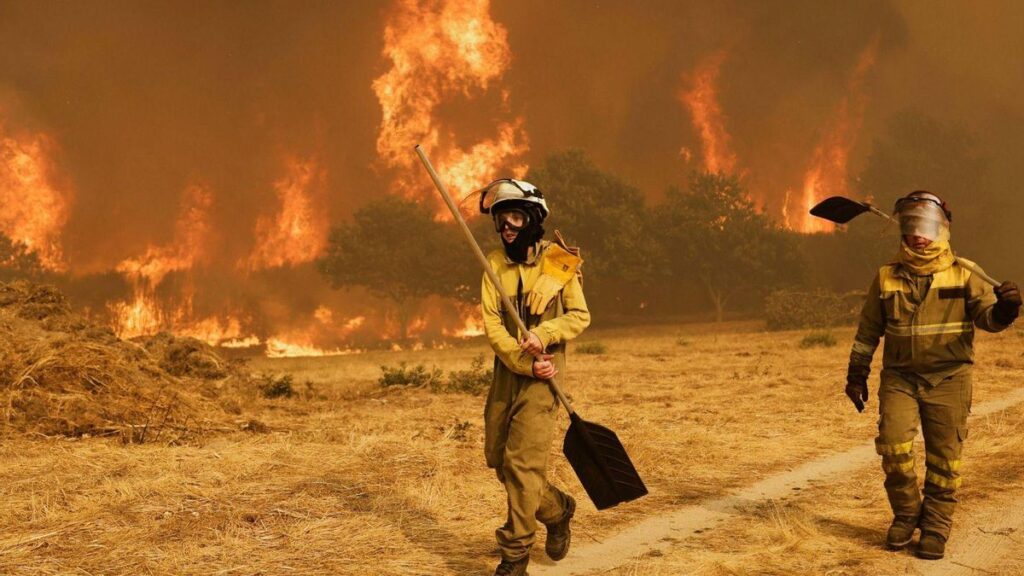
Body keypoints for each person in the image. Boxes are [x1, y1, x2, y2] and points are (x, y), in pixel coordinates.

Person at [845, 191, 1021, 559]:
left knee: (944, 462)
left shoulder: (964, 272)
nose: (919, 235)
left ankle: (937, 527)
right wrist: (857, 373)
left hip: (949, 380)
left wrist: (1005, 309)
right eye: (912, 226)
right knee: (893, 447)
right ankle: (907, 514)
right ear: (903, 231)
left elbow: (988, 320)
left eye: (927, 227)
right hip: (900, 380)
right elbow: (867, 332)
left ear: (942, 229)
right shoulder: (886, 277)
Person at [476, 178, 590, 576]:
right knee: (500, 463)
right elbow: (493, 325)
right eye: (500, 218)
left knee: (522, 466)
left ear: (532, 219)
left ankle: (515, 555)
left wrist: (544, 335)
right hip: (509, 373)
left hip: (546, 378)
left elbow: (579, 316)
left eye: (514, 216)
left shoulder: (558, 262)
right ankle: (558, 510)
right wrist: (523, 361)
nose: (506, 225)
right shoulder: (493, 263)